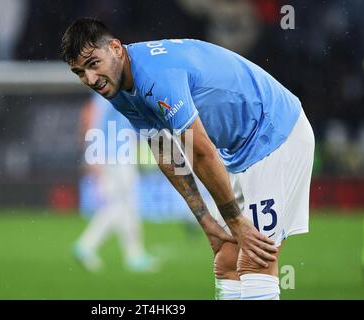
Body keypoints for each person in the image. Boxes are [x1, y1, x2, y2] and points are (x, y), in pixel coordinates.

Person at [61, 18, 315, 300]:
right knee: (227, 260)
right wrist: (207, 222)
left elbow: (200, 150)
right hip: (239, 150)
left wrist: (234, 219)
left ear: (116, 49)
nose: (90, 79)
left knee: (256, 260)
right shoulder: (118, 88)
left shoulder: (156, 75)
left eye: (93, 63)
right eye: (79, 72)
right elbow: (164, 150)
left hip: (274, 134)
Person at [74, 93, 158, 273]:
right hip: (116, 157)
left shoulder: (112, 91)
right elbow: (95, 120)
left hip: (116, 155)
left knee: (119, 206)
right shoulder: (109, 92)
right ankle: (132, 255)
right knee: (125, 206)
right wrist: (92, 155)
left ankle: (91, 247)